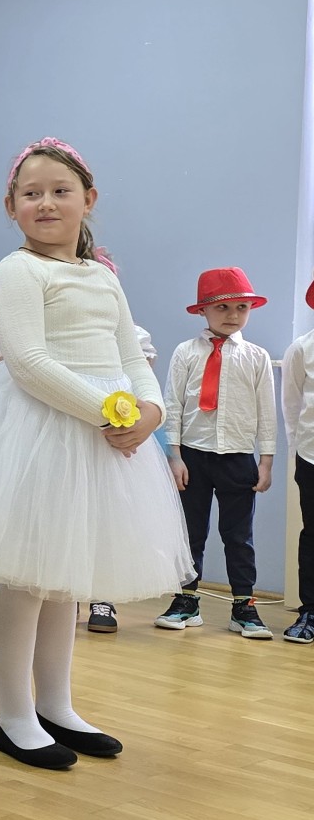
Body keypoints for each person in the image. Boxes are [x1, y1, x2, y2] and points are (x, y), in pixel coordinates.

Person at [0, 137, 190, 770]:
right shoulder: (19, 269)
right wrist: (109, 411)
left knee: (65, 576)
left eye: (60, 191)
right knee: (25, 579)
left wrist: (151, 413)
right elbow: (29, 361)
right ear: (11, 205)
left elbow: (132, 356)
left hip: (99, 437)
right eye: (31, 193)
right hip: (41, 432)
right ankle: (14, 717)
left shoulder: (102, 276)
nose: (45, 203)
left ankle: (56, 706)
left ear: (88, 200)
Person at [155, 268, 277, 638]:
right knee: (190, 532)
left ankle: (244, 605)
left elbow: (266, 412)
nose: (232, 315)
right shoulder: (186, 353)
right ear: (202, 311)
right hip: (192, 457)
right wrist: (174, 455)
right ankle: (186, 599)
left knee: (238, 535)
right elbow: (173, 405)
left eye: (241, 307)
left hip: (238, 457)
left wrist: (266, 461)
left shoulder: (256, 357)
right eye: (222, 307)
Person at [85, 247, 161, 635]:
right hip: (66, 429)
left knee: (107, 518)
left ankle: (103, 596)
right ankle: (63, 589)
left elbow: (140, 386)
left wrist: (141, 420)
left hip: (114, 434)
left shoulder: (133, 336)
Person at [281, 278, 314, 644]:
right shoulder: (302, 349)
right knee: (313, 533)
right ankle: (311, 610)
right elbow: (292, 406)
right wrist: (297, 453)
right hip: (311, 456)